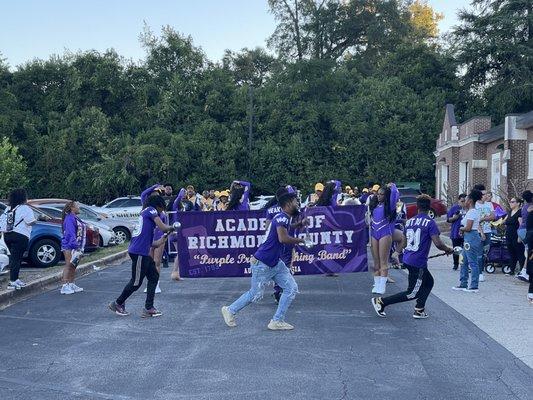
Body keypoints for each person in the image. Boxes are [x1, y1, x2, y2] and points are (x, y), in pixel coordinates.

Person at [221, 191, 305, 330]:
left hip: (274, 263)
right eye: (296, 201)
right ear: (289, 203)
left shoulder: (282, 217)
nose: (298, 204)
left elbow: (286, 230)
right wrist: (301, 240)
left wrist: (300, 224)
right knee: (254, 294)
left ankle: (277, 321)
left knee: (291, 289)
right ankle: (230, 310)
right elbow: (282, 238)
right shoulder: (282, 218)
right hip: (263, 263)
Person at [371, 195, 454, 318]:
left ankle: (419, 309)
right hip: (418, 262)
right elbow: (438, 243)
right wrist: (448, 249)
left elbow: (403, 241)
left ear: (417, 207)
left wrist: (397, 253)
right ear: (429, 207)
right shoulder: (430, 222)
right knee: (412, 293)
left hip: (408, 258)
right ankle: (382, 302)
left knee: (429, 282)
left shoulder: (410, 221)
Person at [109, 196, 175, 317]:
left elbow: (155, 244)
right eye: (161, 210)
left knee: (154, 276)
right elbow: (163, 227)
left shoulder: (146, 218)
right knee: (136, 282)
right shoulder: (151, 210)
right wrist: (172, 227)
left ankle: (149, 308)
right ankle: (117, 303)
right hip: (139, 252)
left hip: (142, 252)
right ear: (159, 205)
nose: (161, 213)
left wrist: (164, 237)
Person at [0, 188, 38, 290]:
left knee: (14, 258)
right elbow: (30, 222)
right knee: (17, 259)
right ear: (23, 197)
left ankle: (15, 279)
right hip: (20, 235)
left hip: (7, 235)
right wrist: (37, 219)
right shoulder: (25, 208)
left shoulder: (9, 209)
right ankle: (12, 281)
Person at [369, 183, 399, 294]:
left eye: (382, 194)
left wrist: (393, 186)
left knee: (383, 262)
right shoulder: (374, 206)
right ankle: (376, 284)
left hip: (385, 234)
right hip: (374, 234)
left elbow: (395, 194)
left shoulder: (390, 206)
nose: (379, 196)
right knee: (376, 262)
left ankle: (382, 285)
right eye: (378, 194)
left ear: (386, 196)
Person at [453, 189, 483, 293]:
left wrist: (461, 229)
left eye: (465, 199)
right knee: (463, 261)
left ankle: (474, 285)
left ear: (470, 201)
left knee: (472, 262)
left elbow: (469, 227)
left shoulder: (472, 212)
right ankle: (463, 283)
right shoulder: (470, 212)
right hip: (468, 237)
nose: (464, 201)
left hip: (471, 237)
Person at [60, 201, 86, 295]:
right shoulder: (70, 218)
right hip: (69, 246)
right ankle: (64, 285)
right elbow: (70, 233)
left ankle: (71, 283)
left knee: (73, 265)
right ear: (72, 207)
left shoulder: (75, 217)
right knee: (69, 265)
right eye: (77, 206)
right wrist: (75, 245)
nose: (79, 207)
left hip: (76, 246)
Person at [474, 185, 495, 282]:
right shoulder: (475, 205)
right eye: (484, 194)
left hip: (488, 230)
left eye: (486, 194)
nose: (486, 196)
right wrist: (481, 232)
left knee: (485, 251)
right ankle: (479, 273)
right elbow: (475, 221)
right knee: (479, 253)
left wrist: (482, 218)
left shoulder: (489, 204)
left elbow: (493, 217)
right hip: (478, 232)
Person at [504, 197, 525, 276]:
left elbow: (521, 225)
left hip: (516, 235)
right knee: (511, 253)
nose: (510, 203)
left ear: (518, 203)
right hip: (509, 235)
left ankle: (522, 271)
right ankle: (512, 270)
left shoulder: (520, 212)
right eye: (510, 201)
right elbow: (505, 221)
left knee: (519, 253)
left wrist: (520, 236)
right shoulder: (510, 211)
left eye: (512, 202)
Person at [170, 188, 186, 281]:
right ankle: (175, 272)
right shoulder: (175, 208)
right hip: (176, 232)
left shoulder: (180, 208)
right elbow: (178, 199)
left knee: (180, 254)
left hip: (179, 232)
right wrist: (181, 192)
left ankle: (176, 272)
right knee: (180, 253)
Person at [447, 194, 467, 270]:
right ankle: (456, 264)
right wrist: (454, 218)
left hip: (466, 232)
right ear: (458, 200)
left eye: (465, 201)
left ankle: (464, 264)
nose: (463, 202)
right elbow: (448, 219)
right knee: (457, 249)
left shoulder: (468, 208)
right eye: (462, 201)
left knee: (465, 249)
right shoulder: (454, 208)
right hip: (456, 232)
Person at [517, 190, 533, 282]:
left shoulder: (523, 207)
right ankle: (524, 272)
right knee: (529, 253)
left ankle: (525, 271)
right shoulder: (530, 207)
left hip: (521, 230)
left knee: (527, 251)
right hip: (527, 231)